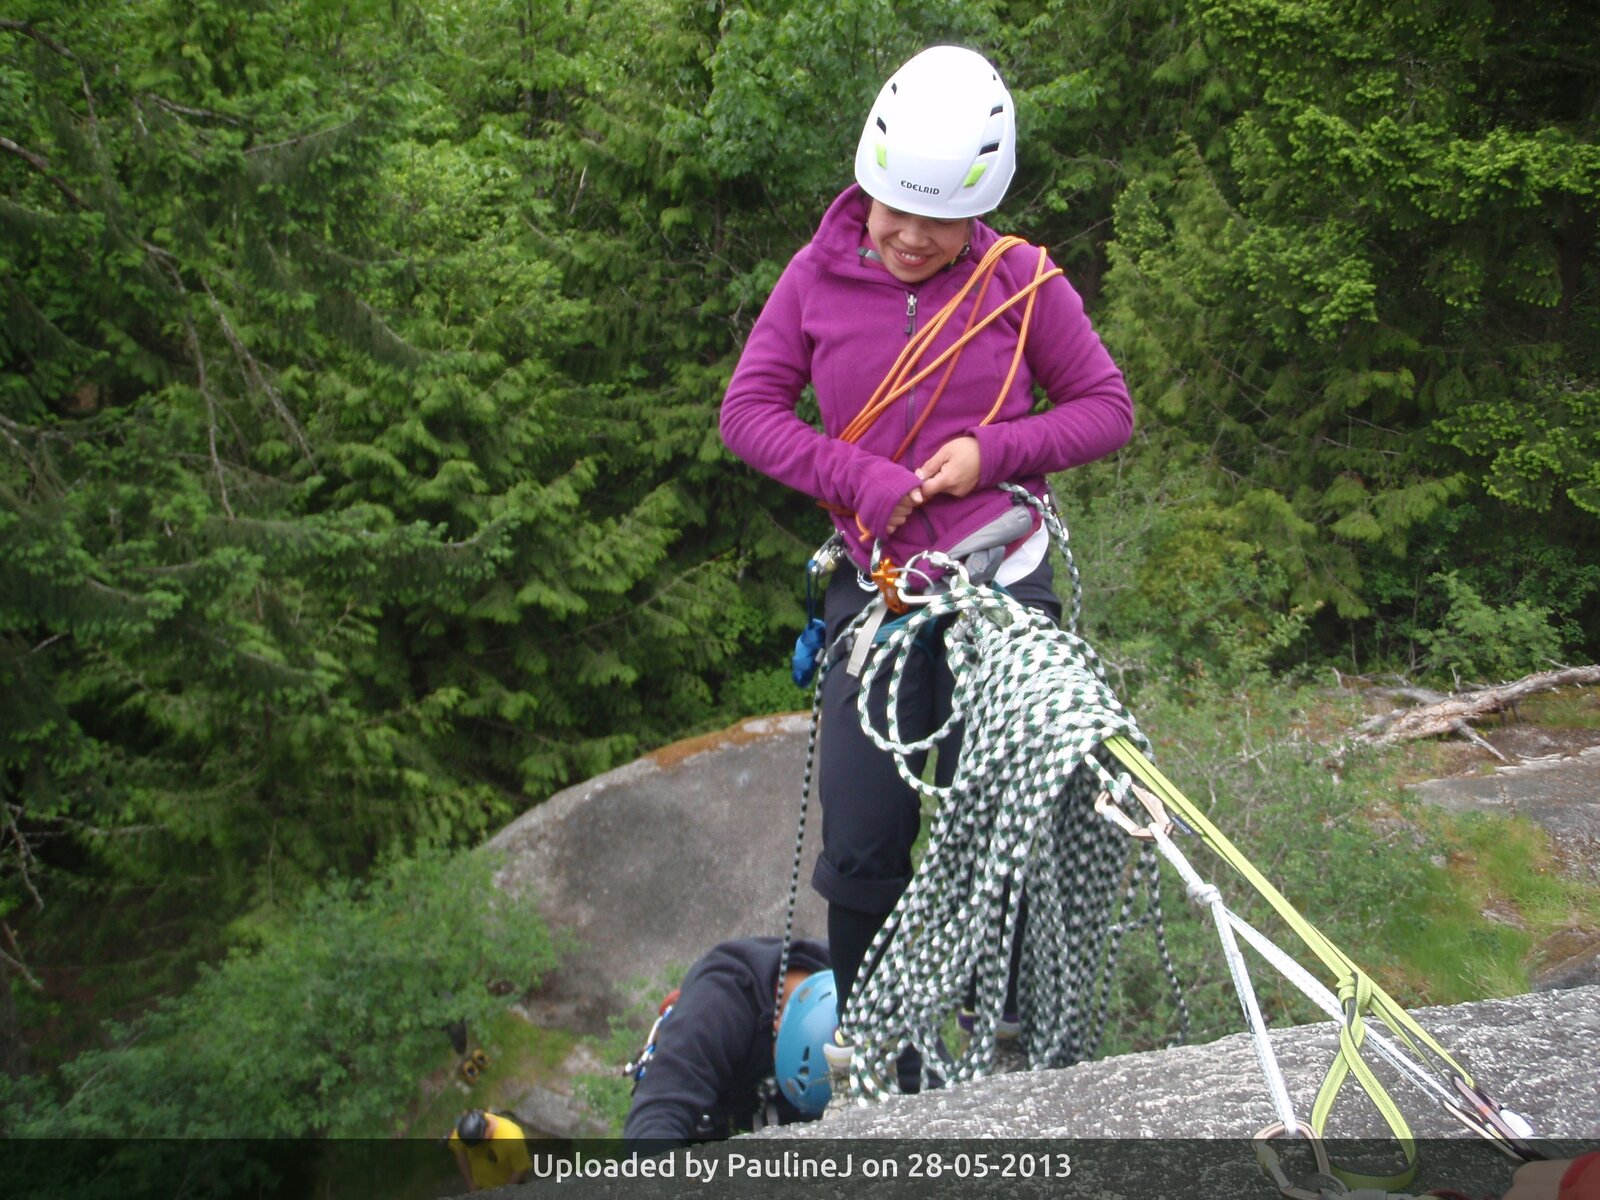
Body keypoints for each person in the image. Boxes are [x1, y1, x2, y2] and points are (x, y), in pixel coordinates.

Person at [719, 46, 1133, 1050]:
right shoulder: (814, 278)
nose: (907, 236)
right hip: (883, 587)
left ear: (979, 208)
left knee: (1006, 818)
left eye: (938, 221)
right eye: (892, 210)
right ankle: (875, 1041)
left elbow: (1105, 409)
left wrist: (992, 450)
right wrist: (858, 477)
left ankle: (1012, 1033)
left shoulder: (1020, 283)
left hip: (1001, 585)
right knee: (862, 839)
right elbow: (748, 412)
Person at [623, 936, 833, 1149]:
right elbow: (657, 1113)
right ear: (777, 1024)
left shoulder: (851, 984)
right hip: (718, 1095)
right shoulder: (712, 1012)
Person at [445, 1108, 533, 1192]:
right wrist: (470, 1184)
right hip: (479, 1186)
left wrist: (504, 1192)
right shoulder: (464, 1131)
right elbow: (459, 1152)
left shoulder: (512, 1137)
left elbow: (521, 1169)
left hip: (505, 1186)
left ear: (486, 1128)